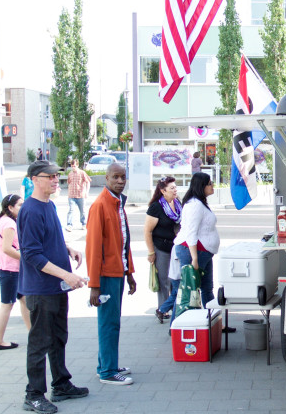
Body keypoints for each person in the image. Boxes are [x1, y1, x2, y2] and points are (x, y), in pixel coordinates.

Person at [17, 159, 88, 414]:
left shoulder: (48, 206)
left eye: (57, 176)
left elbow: (49, 239)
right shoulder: (31, 210)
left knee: (58, 337)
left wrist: (69, 249)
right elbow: (32, 255)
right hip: (41, 289)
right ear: (34, 179)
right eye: (50, 176)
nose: (56, 180)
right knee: (40, 342)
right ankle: (34, 394)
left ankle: (61, 384)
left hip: (57, 287)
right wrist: (67, 276)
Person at [85, 163, 137, 385]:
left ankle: (106, 365)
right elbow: (93, 249)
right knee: (109, 323)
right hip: (106, 276)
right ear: (106, 178)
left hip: (117, 273)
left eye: (123, 177)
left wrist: (130, 273)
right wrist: (94, 285)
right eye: (115, 177)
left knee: (111, 321)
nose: (120, 181)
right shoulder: (100, 206)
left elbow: (124, 243)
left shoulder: (117, 204)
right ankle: (107, 372)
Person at [0, 194, 32, 351]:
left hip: (8, 269)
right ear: (10, 207)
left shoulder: (7, 221)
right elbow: (7, 248)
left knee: (24, 299)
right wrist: (26, 259)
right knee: (7, 304)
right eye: (20, 205)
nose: (23, 207)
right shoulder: (8, 223)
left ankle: (33, 334)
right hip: (7, 270)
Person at [173, 172, 219, 307]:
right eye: (210, 183)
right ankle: (176, 326)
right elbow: (191, 233)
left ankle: (212, 323)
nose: (212, 186)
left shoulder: (199, 203)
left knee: (207, 288)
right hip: (194, 252)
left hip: (204, 252)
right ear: (202, 186)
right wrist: (194, 259)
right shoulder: (195, 205)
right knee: (188, 291)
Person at [144, 176, 181, 323]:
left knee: (174, 280)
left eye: (175, 187)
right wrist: (151, 252)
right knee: (164, 280)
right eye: (171, 188)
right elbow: (147, 231)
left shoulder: (177, 203)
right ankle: (162, 309)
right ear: (162, 191)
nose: (175, 190)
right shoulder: (156, 207)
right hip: (161, 247)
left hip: (175, 248)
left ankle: (169, 307)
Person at [65, 159, 91, 232]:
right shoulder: (70, 173)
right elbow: (69, 182)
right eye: (72, 166)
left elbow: (88, 182)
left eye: (75, 166)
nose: (73, 168)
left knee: (82, 210)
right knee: (71, 210)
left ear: (77, 165)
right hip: (71, 195)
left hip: (80, 195)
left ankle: (83, 223)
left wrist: (86, 191)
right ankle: (69, 224)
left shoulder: (82, 173)